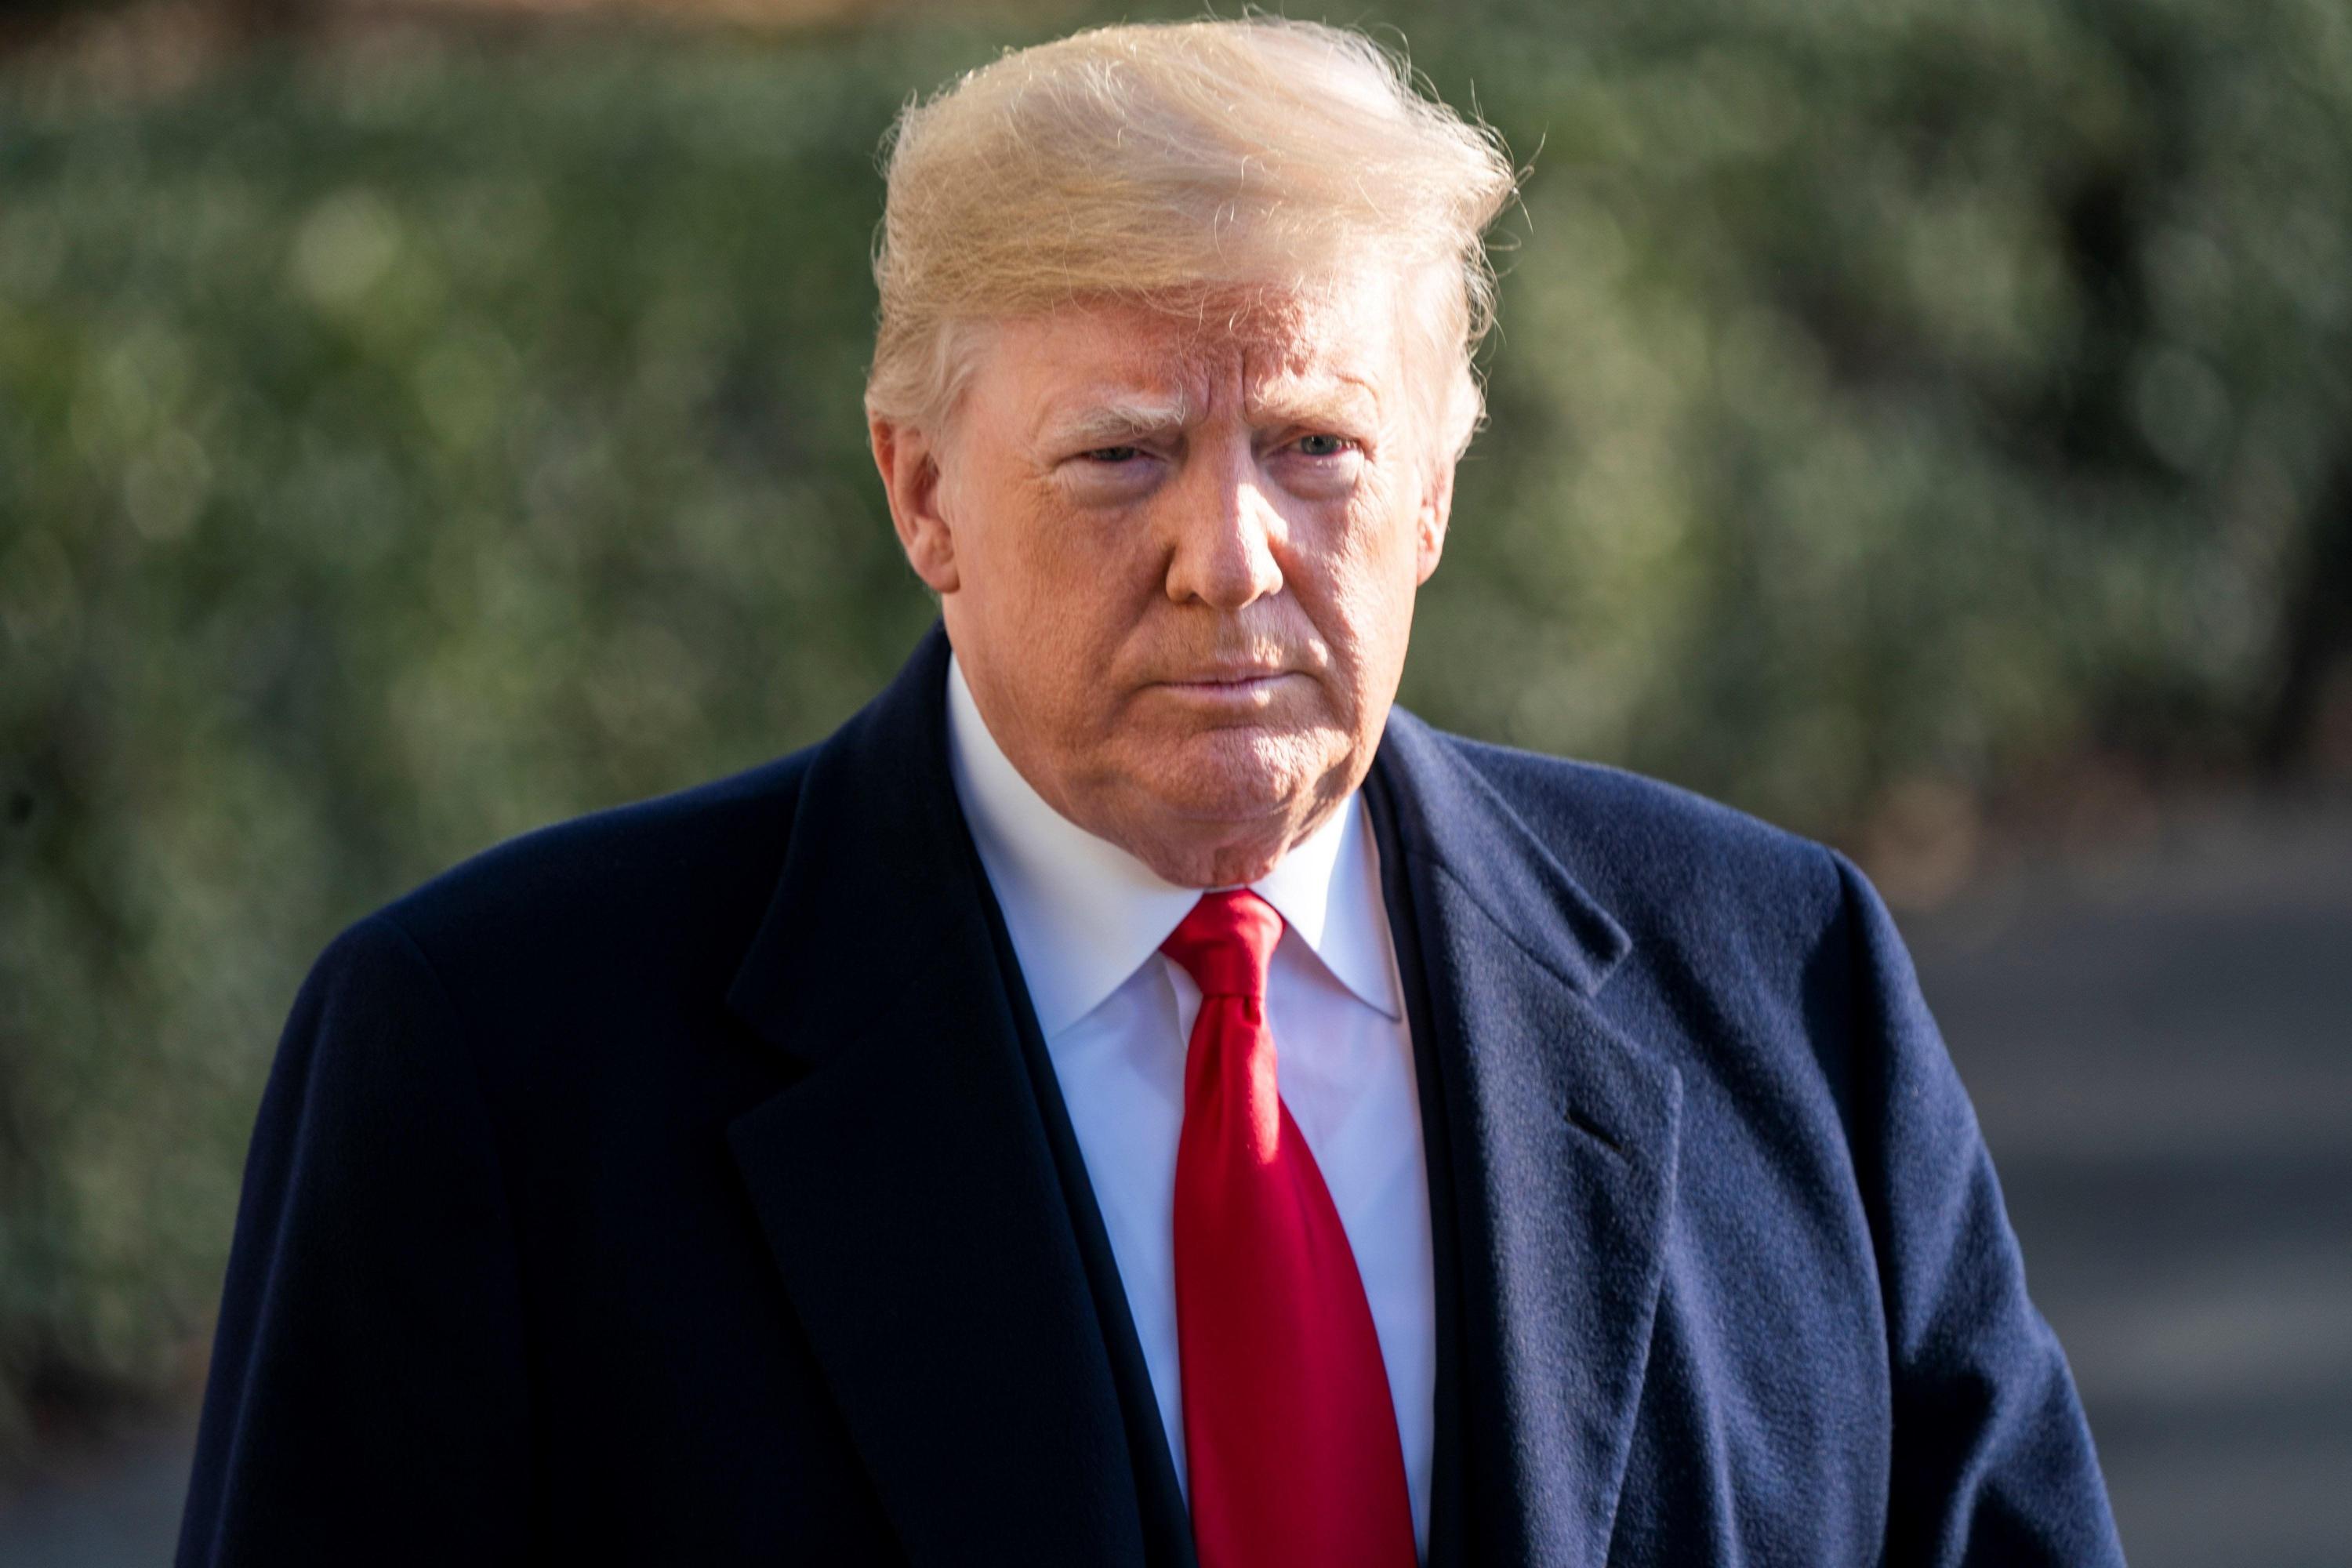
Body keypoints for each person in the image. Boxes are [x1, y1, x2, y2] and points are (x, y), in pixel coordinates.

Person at [176, 18, 2125, 1567]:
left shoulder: (1779, 976)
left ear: (1436, 489)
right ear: (921, 492)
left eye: (1316, 445)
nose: (1229, 554)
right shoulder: (495, 1067)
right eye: (1120, 455)